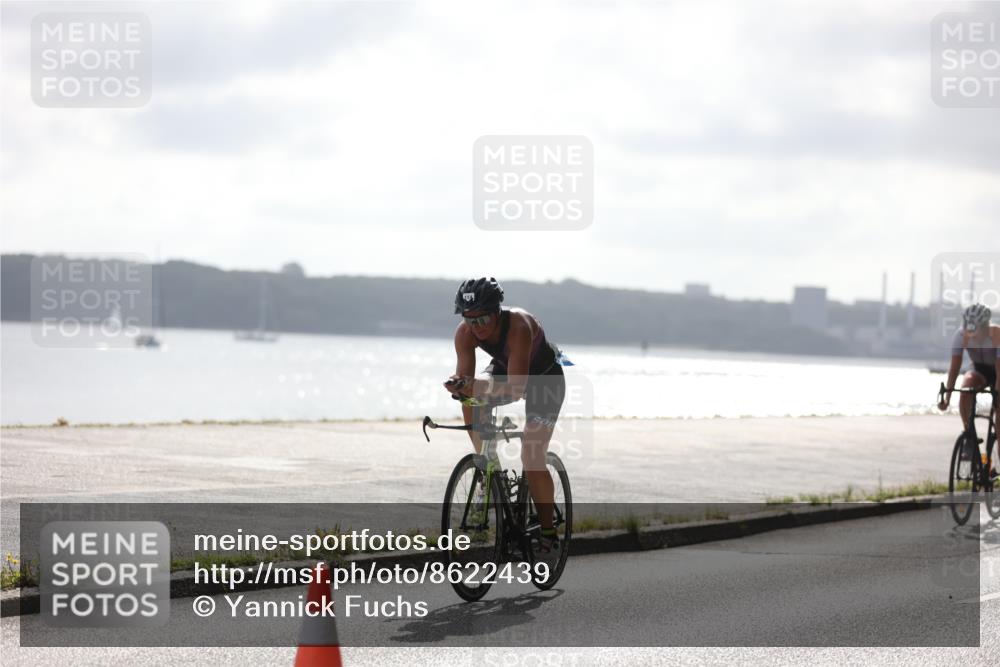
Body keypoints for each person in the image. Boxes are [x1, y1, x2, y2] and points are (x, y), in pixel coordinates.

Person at [444, 277, 565, 553]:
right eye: (470, 320)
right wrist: (461, 386)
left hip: (545, 382)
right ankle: (487, 468)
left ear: (497, 312)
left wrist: (474, 385)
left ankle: (548, 531)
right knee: (469, 400)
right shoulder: (464, 333)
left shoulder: (519, 326)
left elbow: (517, 389)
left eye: (483, 319)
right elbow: (468, 382)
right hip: (507, 369)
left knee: (531, 456)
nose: (477, 326)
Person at [938, 303, 1000, 473]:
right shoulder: (961, 335)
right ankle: (969, 436)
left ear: (986, 326)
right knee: (965, 390)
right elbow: (954, 369)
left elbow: (999, 370)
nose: (971, 333)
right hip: (978, 369)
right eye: (968, 328)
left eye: (975, 329)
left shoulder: (996, 335)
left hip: (997, 371)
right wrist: (947, 398)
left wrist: (996, 395)